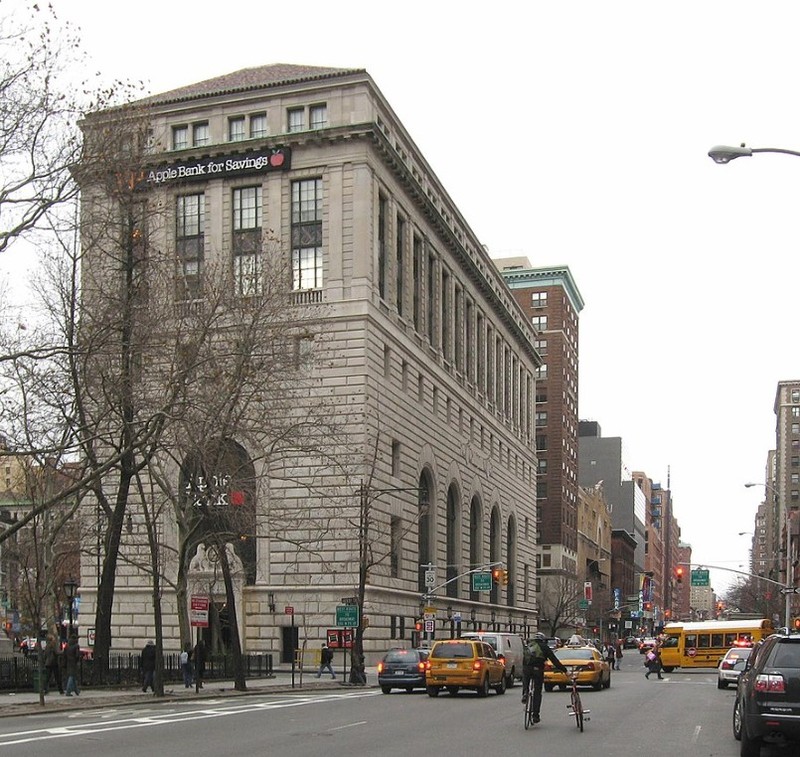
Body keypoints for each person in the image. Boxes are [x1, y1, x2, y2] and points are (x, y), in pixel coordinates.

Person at [521, 633, 568, 724]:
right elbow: (554, 660)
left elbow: (524, 659)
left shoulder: (528, 646)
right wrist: (564, 670)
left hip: (526, 669)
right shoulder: (544, 647)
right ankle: (535, 715)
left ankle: (525, 693)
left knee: (525, 680)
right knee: (537, 692)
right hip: (538, 670)